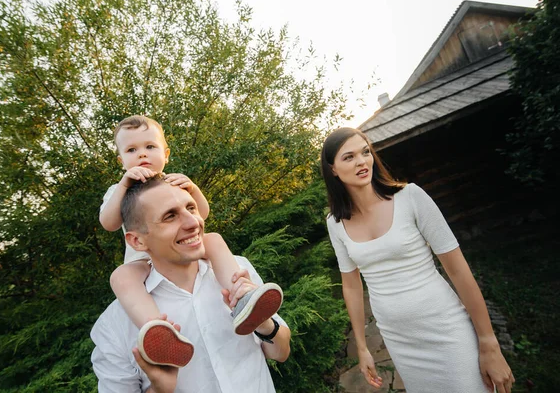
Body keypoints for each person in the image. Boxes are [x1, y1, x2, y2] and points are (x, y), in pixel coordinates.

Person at [320, 127, 515, 393]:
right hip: (400, 340)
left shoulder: (411, 197)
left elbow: (457, 270)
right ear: (332, 169)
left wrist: (488, 342)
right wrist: (363, 348)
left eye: (365, 152)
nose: (362, 161)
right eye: (349, 157)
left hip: (445, 327)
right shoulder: (335, 223)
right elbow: (352, 286)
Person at [99, 115, 283, 366]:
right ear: (121, 161)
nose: (142, 154)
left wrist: (193, 189)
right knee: (120, 277)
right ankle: (159, 331)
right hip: (143, 260)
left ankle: (242, 298)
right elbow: (108, 223)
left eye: (150, 147)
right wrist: (123, 185)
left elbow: (202, 215)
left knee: (215, 239)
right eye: (132, 150)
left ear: (166, 154)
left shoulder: (174, 182)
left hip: (185, 250)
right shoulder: (121, 189)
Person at [91, 176, 291, 392]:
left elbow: (281, 352)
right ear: (137, 241)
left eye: (191, 208)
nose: (193, 222)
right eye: (170, 216)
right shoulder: (114, 326)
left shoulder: (236, 271)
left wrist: (265, 325)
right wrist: (159, 389)